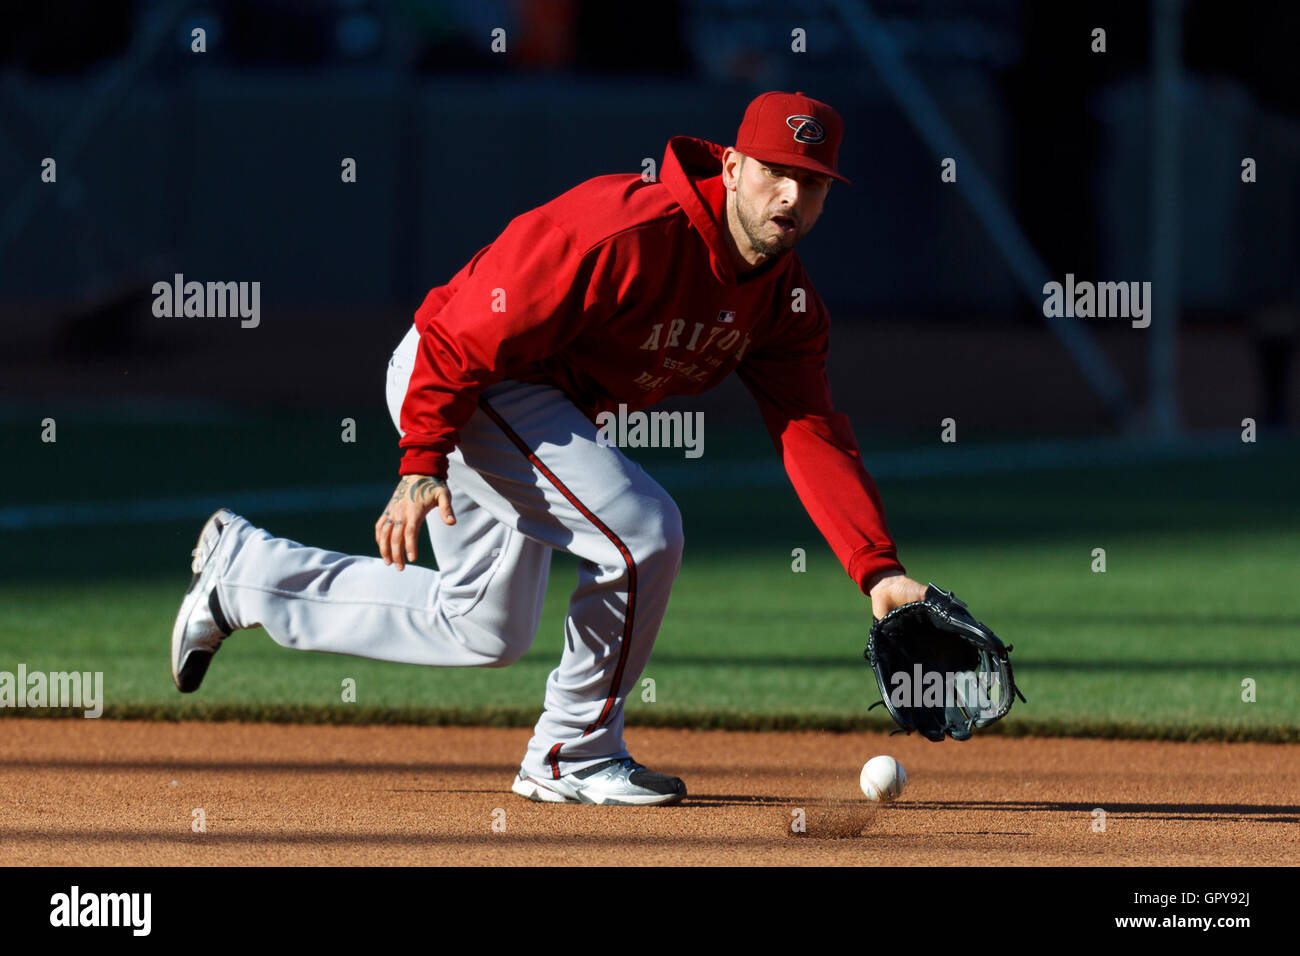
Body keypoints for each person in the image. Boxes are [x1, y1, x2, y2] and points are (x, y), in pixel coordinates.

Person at [170, 90, 928, 807]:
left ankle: (249, 577)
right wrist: (420, 460)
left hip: (531, 403)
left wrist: (878, 569)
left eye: (813, 182)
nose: (791, 196)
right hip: (463, 376)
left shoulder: (784, 304)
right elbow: (461, 329)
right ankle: (574, 754)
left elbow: (811, 431)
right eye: (775, 173)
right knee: (642, 531)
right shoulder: (624, 227)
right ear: (732, 168)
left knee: (481, 627)